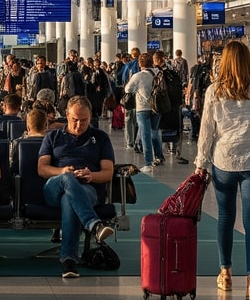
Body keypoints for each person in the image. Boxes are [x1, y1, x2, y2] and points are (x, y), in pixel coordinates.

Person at [191, 40, 250, 300]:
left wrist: (200, 163)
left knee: (225, 218)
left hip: (224, 162)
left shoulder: (215, 91)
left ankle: (225, 272)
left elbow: (206, 131)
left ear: (223, 62)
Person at [38, 97, 117, 279]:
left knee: (69, 200)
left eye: (84, 120)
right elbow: (41, 169)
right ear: (66, 115)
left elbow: (107, 173)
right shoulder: (53, 136)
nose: (79, 124)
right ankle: (94, 224)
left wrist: (92, 176)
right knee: (66, 179)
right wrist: (62, 171)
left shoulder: (101, 138)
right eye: (75, 119)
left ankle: (69, 261)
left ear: (91, 117)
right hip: (54, 187)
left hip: (87, 188)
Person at [124, 54, 164, 171]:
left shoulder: (138, 76)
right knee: (155, 132)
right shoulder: (159, 73)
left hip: (142, 108)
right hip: (157, 107)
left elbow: (128, 89)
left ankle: (148, 163)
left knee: (145, 135)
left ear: (140, 64)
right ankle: (159, 156)